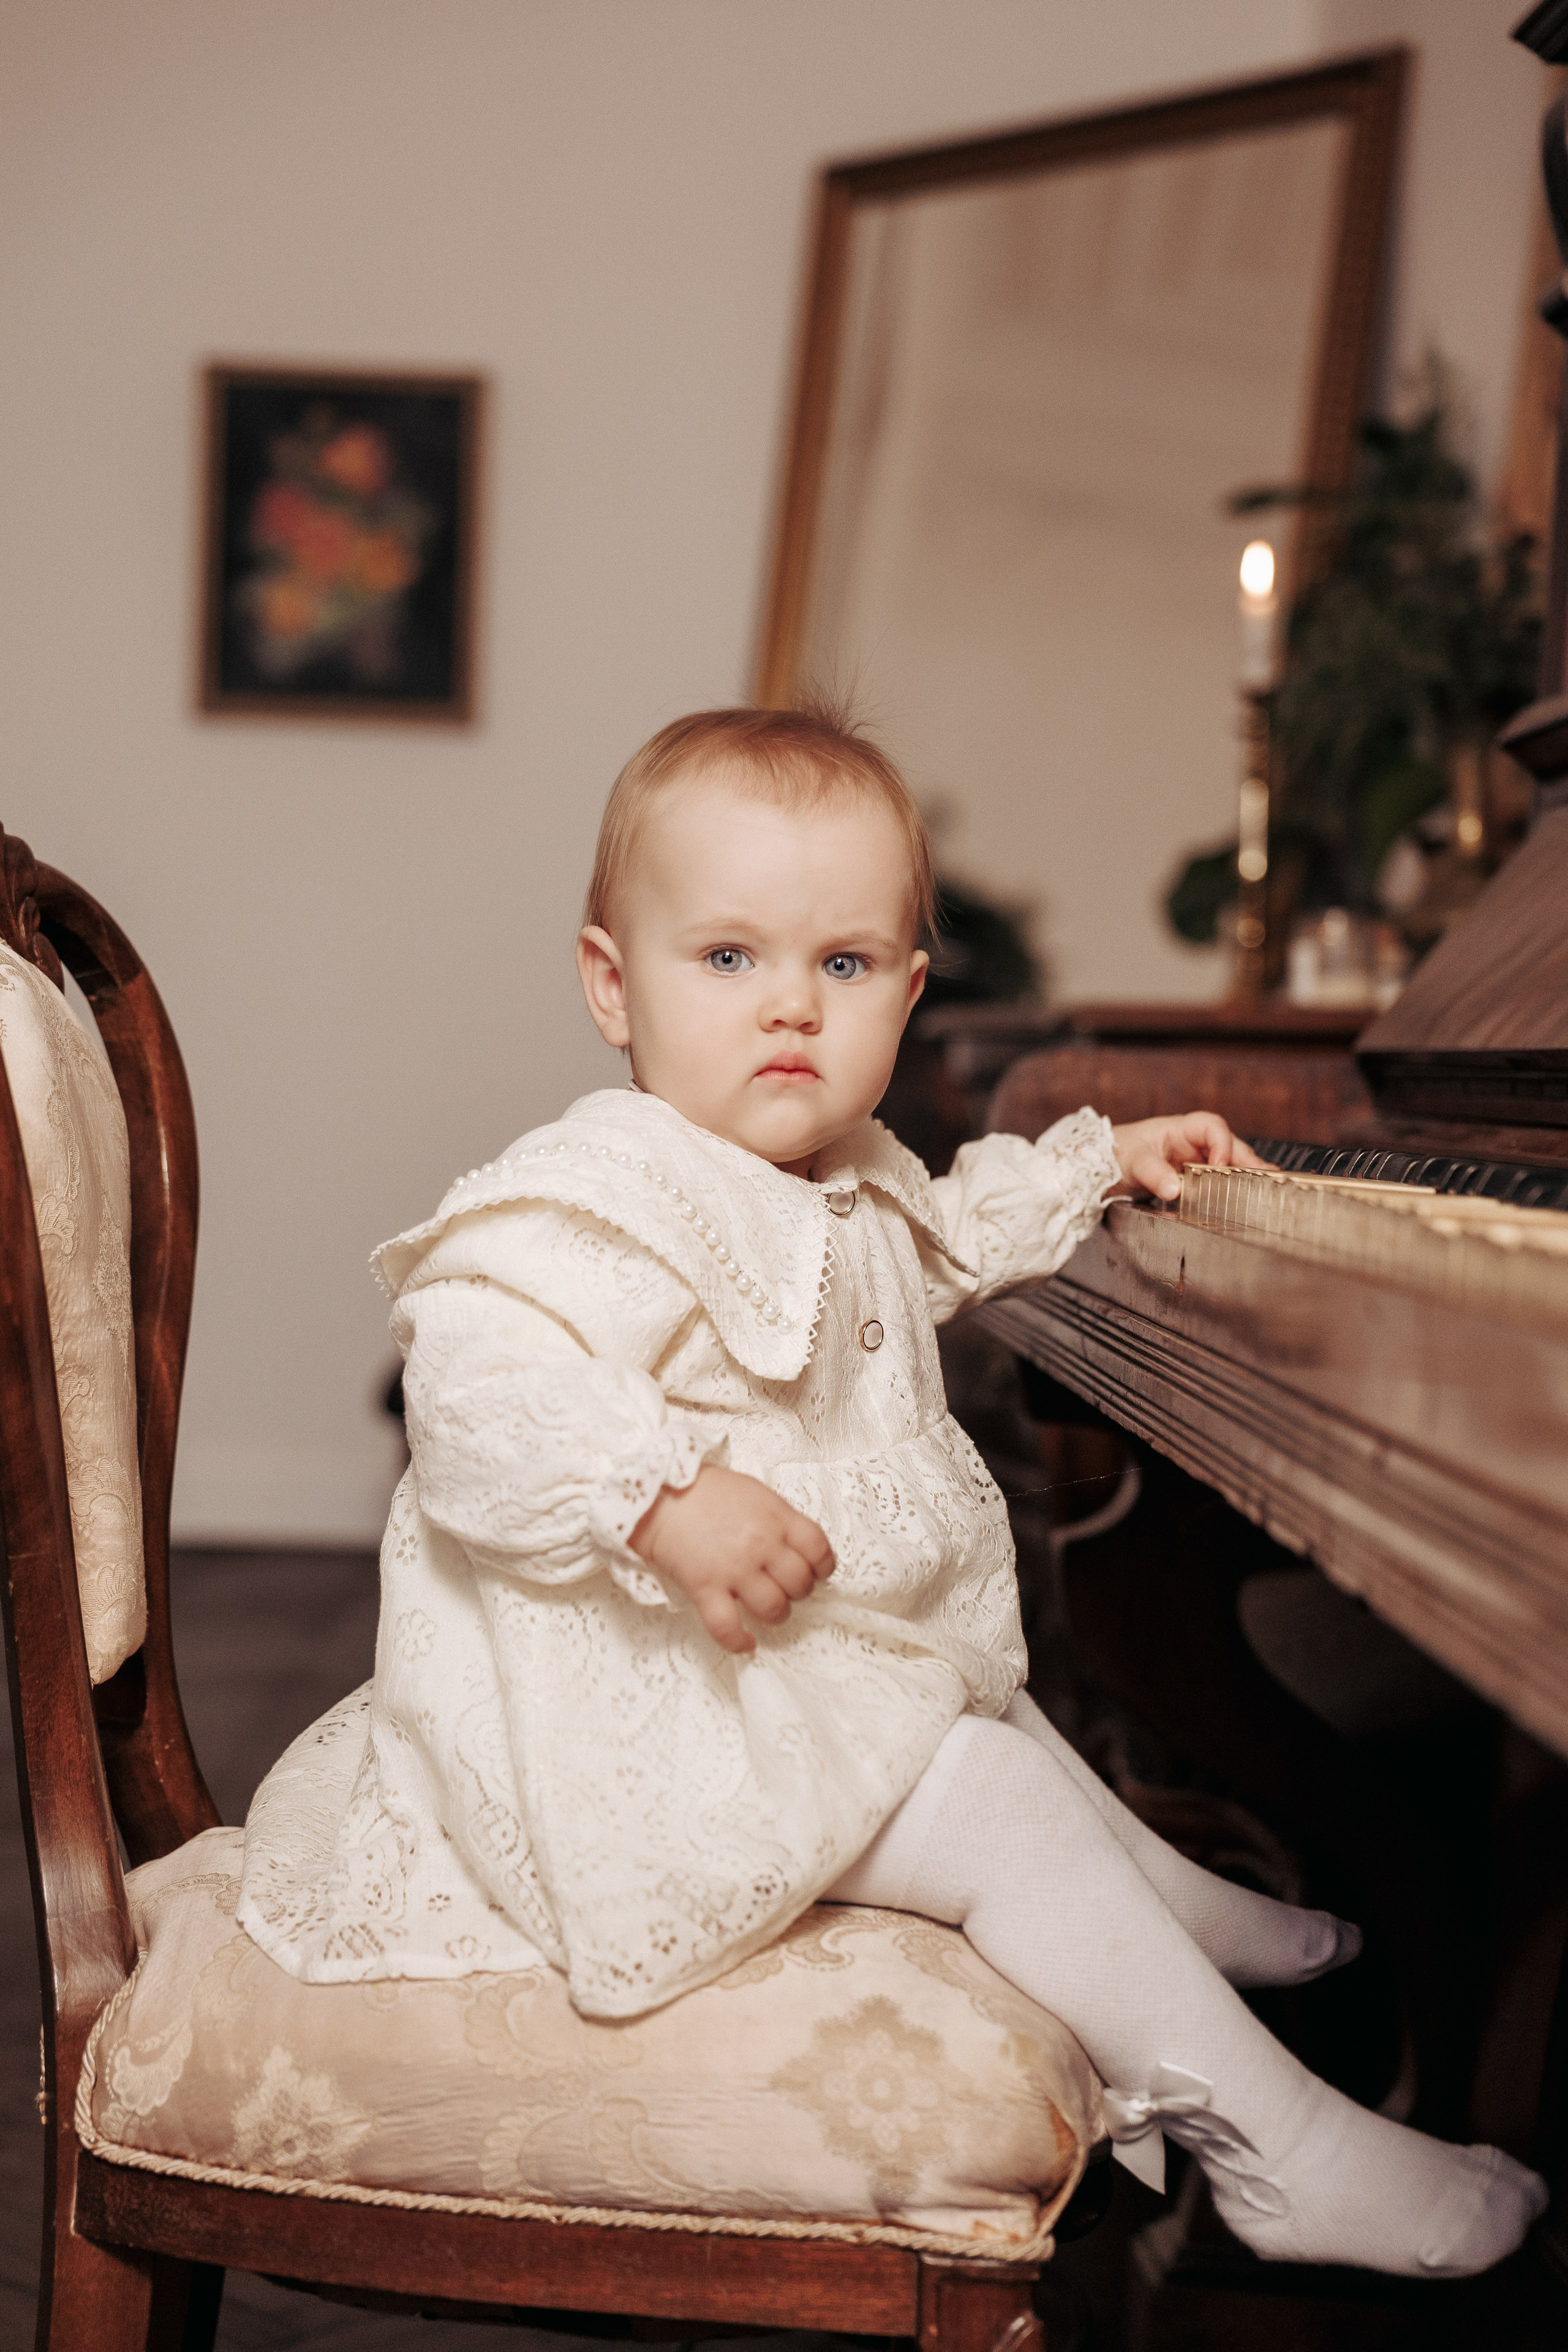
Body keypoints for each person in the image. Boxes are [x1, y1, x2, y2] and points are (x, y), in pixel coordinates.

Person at [239, 703, 1545, 2278]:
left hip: (751, 1678)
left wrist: (1092, 1164)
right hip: (610, 1735)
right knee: (976, 1779)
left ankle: (1159, 1903)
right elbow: (472, 1385)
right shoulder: (598, 1194)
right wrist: (661, 1497)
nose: (788, 1006)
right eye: (726, 959)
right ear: (611, 985)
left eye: (842, 966)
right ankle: (1283, 2152)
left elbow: (937, 1237)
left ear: (908, 995)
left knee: (968, 1706)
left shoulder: (837, 1172)